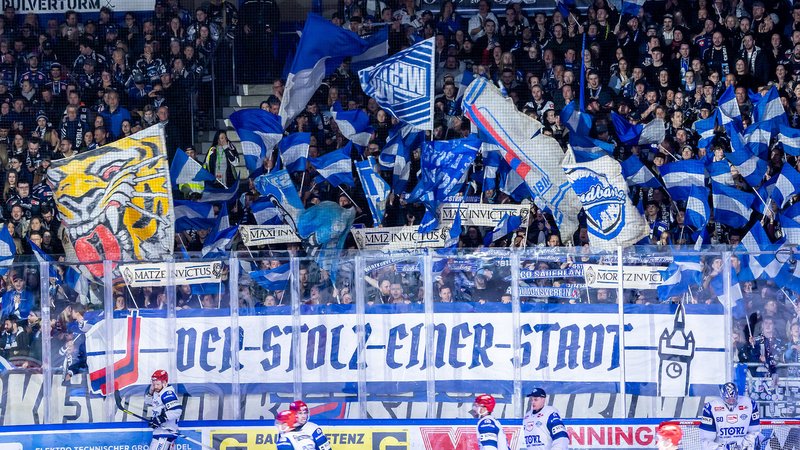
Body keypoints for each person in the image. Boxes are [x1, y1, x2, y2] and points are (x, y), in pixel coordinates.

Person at [699, 382, 761, 450]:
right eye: (728, 398)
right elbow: (706, 442)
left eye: (733, 398)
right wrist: (723, 448)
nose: (731, 401)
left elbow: (754, 432)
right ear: (722, 396)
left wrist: (745, 445)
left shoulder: (750, 404)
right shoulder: (710, 407)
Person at [145, 369, 183, 450]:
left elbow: (177, 411)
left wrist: (160, 419)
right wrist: (150, 392)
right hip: (161, 432)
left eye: (157, 384)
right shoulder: (157, 392)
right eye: (154, 384)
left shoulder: (167, 393)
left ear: (165, 383)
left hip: (165, 433)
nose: (155, 387)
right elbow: (148, 402)